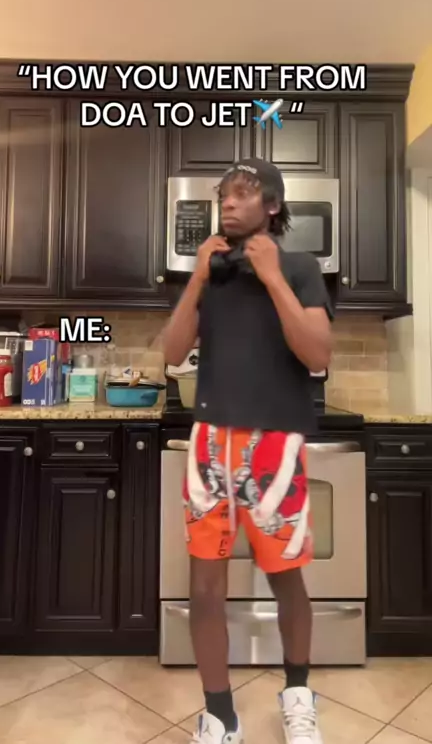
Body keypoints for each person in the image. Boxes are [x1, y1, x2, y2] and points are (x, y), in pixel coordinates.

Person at [163, 159, 333, 744]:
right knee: (204, 588)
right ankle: (219, 715)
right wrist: (196, 279)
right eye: (224, 195)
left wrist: (274, 277)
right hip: (210, 442)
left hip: (275, 442)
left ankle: (298, 694)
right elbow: (172, 352)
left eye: (243, 194)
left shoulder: (300, 267)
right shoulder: (212, 273)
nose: (229, 204)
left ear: (273, 206)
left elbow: (317, 355)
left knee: (286, 578)